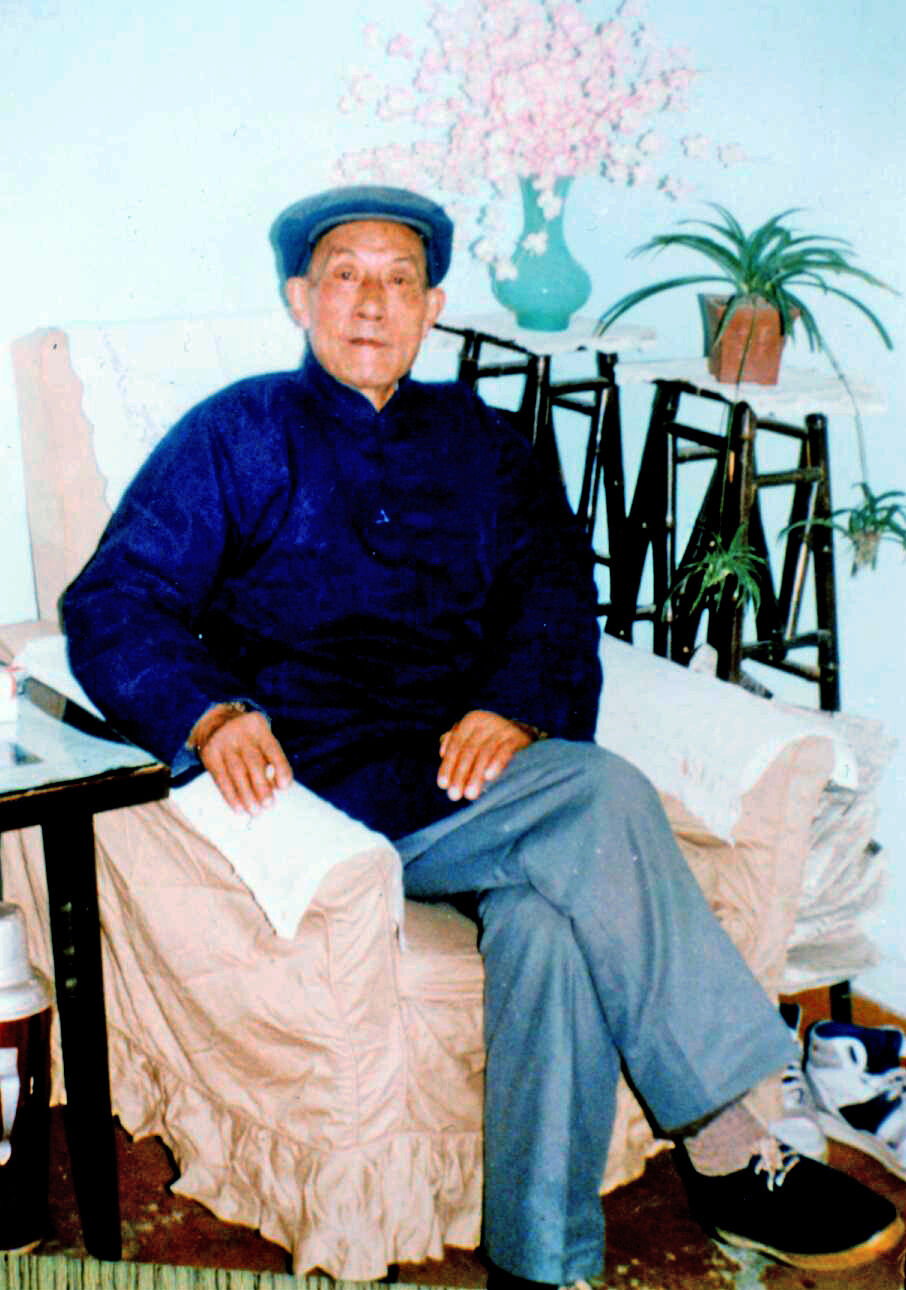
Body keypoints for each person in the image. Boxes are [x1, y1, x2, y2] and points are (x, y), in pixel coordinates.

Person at [62, 185, 904, 1285]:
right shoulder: (239, 433)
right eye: (346, 277)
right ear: (301, 299)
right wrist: (210, 711)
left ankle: (541, 1263)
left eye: (399, 280)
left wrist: (515, 705)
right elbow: (113, 602)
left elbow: (554, 599)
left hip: (475, 778)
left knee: (550, 924)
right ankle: (732, 1140)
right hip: (321, 786)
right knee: (604, 793)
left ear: (434, 307)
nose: (373, 303)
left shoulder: (487, 444)